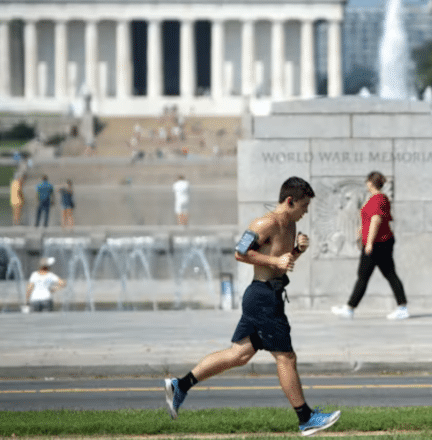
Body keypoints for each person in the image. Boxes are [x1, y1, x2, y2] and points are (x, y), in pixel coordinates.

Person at [163, 176, 341, 436]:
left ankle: (181, 385)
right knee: (286, 357)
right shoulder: (265, 223)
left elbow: (282, 261)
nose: (306, 212)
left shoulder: (290, 225)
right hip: (263, 298)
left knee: (239, 354)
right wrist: (276, 262)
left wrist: (297, 252)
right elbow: (240, 251)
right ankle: (306, 418)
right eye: (303, 206)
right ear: (289, 201)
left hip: (267, 295)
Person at [331, 171, 409, 320]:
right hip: (377, 243)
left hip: (380, 244)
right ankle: (350, 308)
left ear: (370, 183)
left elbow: (376, 221)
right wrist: (361, 232)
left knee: (368, 276)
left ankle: (350, 308)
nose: (366, 184)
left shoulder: (379, 199)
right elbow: (368, 220)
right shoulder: (373, 198)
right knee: (381, 275)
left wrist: (370, 243)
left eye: (367, 181)